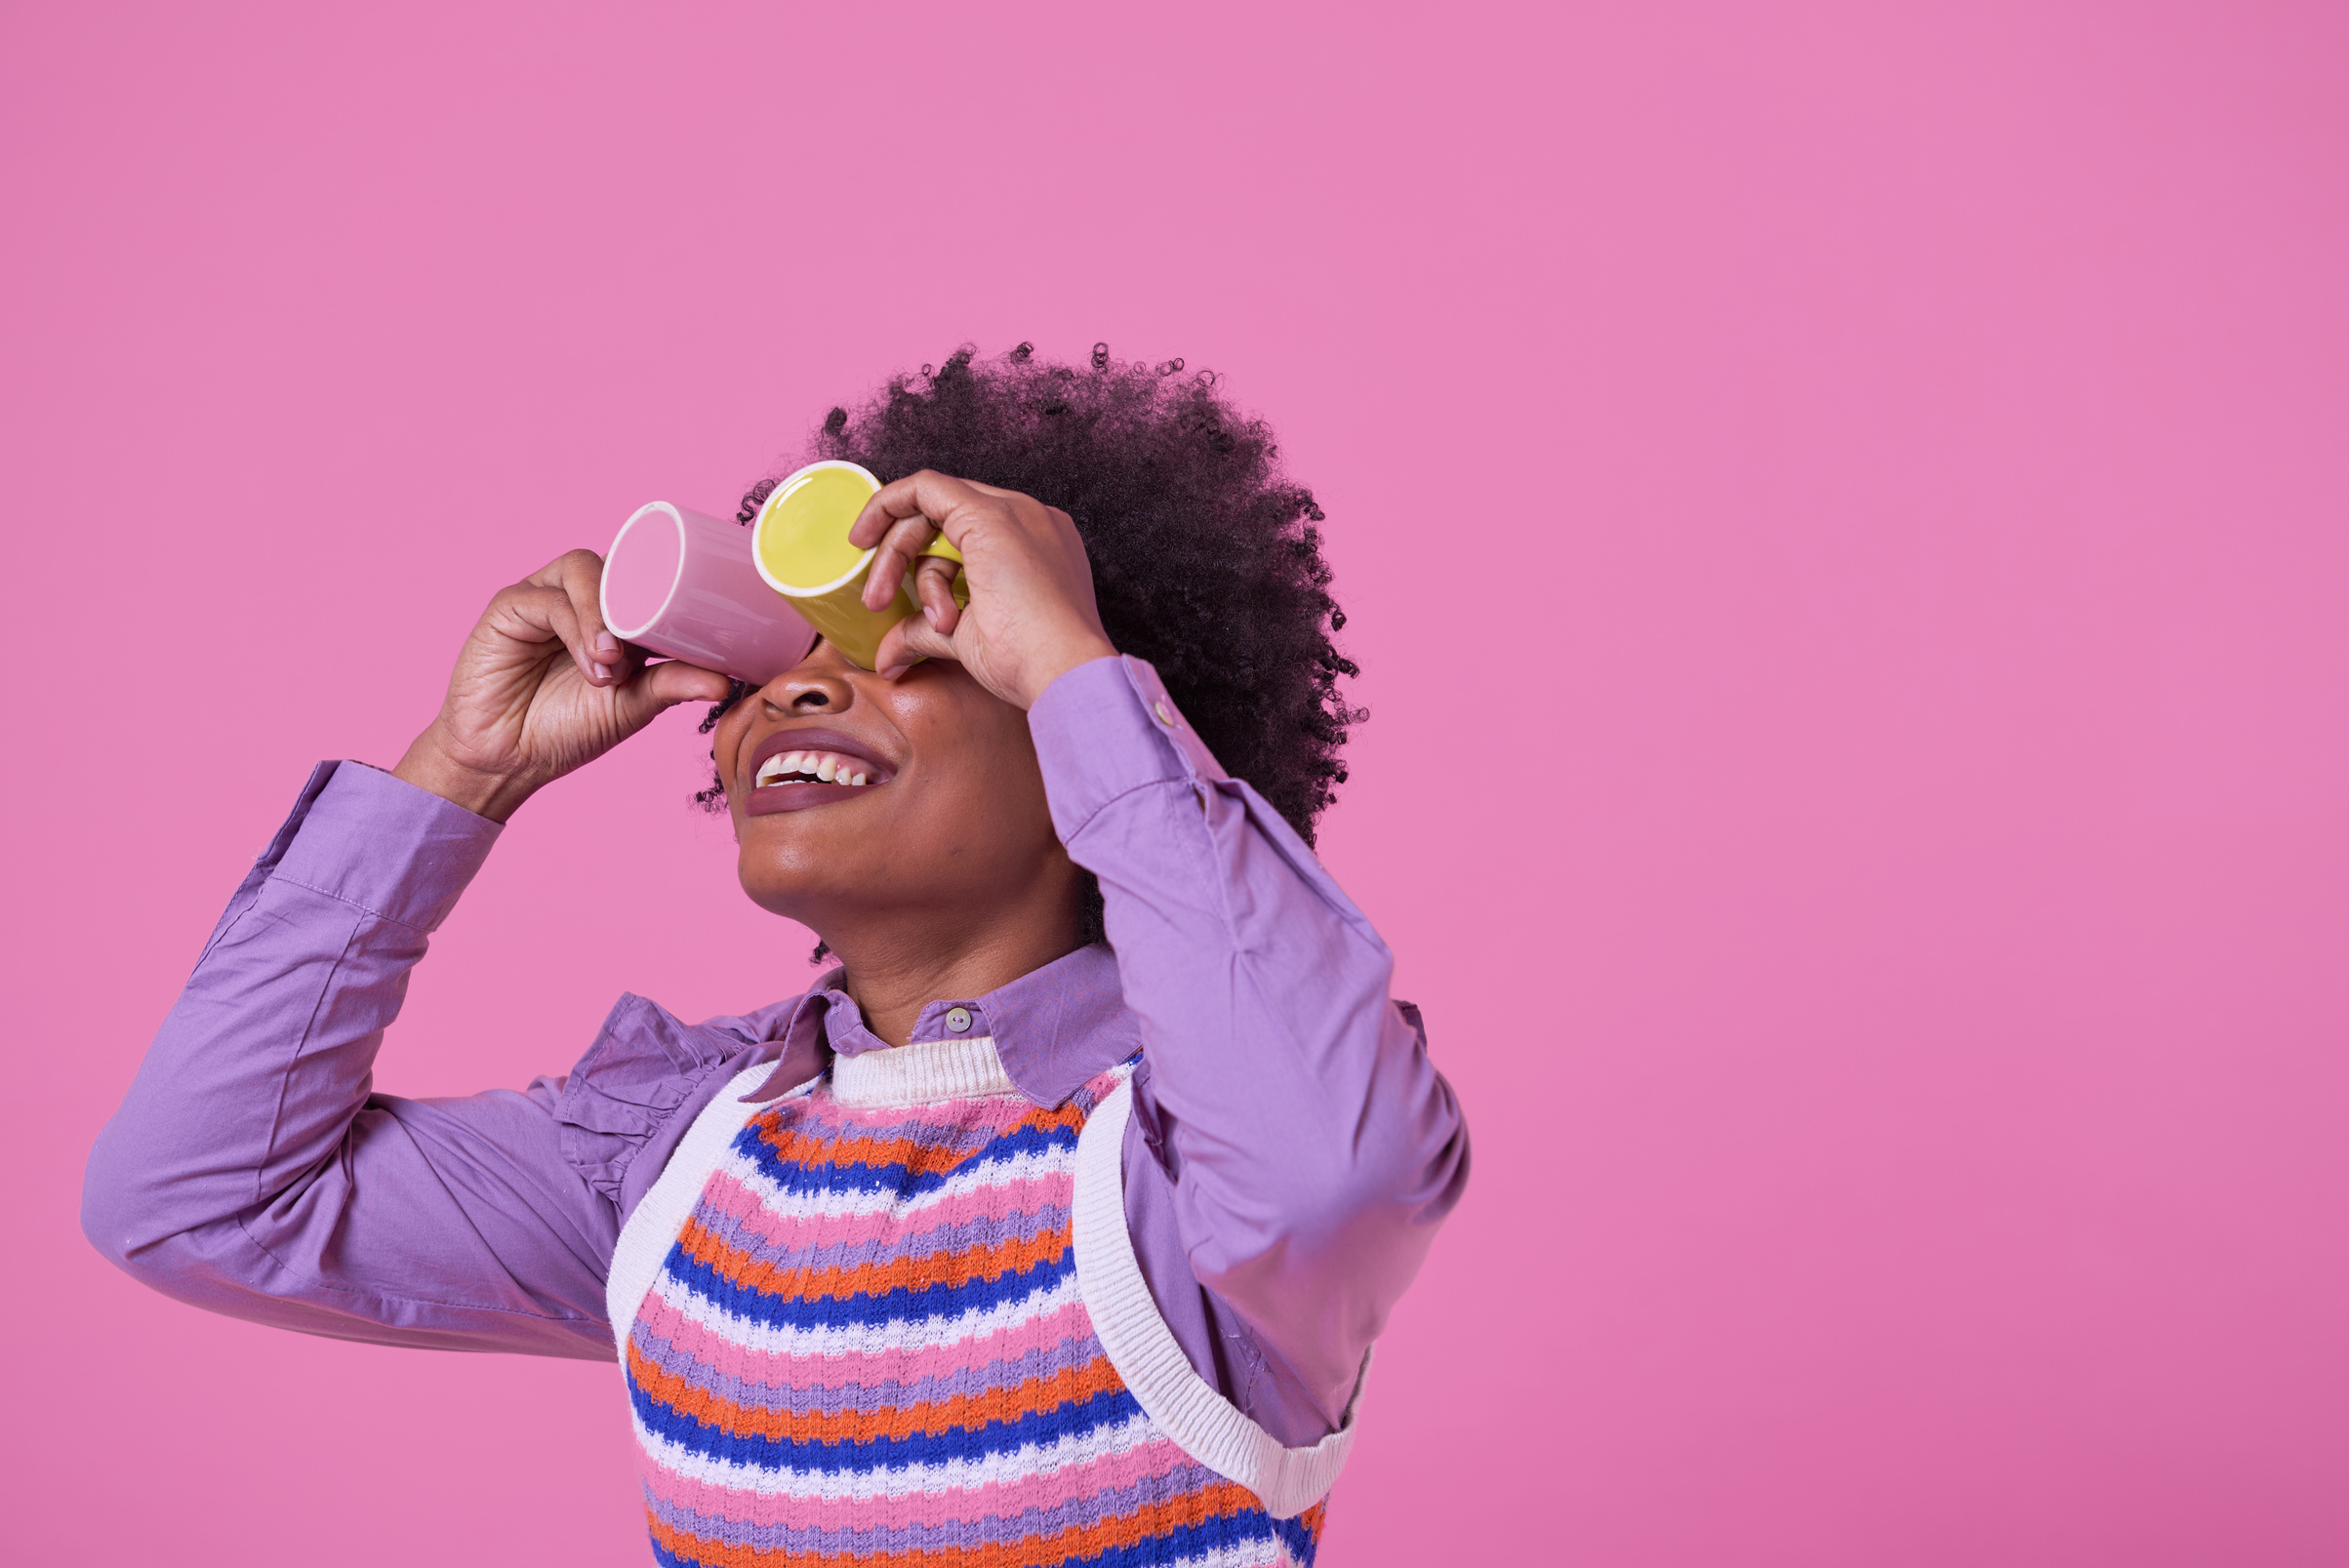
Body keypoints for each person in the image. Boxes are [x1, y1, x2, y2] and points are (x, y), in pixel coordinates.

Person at [83, 343, 1470, 1568]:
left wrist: (1071, 666)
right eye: (771, 658)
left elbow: (1331, 1173)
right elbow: (196, 1200)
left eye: (908, 640)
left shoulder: (1177, 1174)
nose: (793, 690)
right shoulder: (675, 1162)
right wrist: (465, 772)